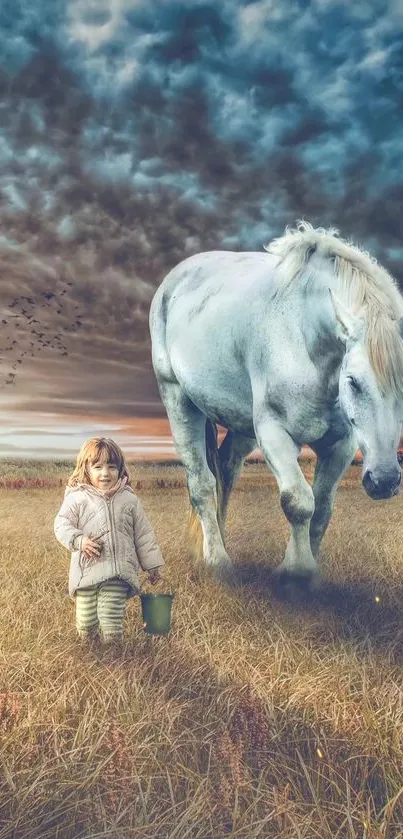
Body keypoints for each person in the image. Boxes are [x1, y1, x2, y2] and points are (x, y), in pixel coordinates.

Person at [54, 437, 165, 643]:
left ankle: (114, 651)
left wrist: (152, 566)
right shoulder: (77, 497)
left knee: (110, 616)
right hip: (87, 571)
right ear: (85, 469)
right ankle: (92, 652)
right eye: (97, 467)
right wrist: (79, 541)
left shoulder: (128, 499)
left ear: (120, 468)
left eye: (111, 466)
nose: (105, 473)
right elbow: (61, 525)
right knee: (86, 622)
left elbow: (143, 534)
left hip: (118, 571)